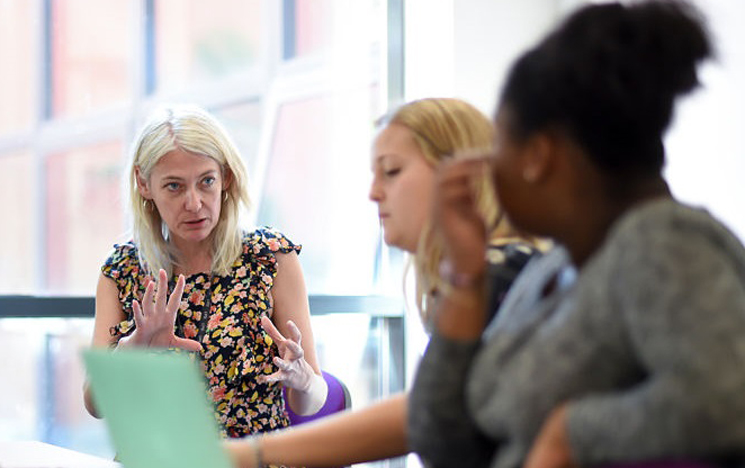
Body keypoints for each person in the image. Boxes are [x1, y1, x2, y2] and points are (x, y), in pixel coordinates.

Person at [409, 2, 745, 468]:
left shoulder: (661, 242)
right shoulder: (559, 266)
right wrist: (464, 277)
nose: (487, 166)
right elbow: (444, 441)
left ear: (537, 155)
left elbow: (726, 400)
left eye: (499, 142)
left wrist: (571, 432)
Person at [225, 98, 544, 468]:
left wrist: (252, 454)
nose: (374, 192)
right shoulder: (486, 273)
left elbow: (422, 414)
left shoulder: (501, 276)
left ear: (461, 176)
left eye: (391, 172)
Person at [83, 105, 328, 440]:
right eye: (174, 186)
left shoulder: (270, 259)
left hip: (252, 460)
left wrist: (303, 379)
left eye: (206, 182)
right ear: (144, 184)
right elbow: (95, 404)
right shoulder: (123, 270)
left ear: (226, 177)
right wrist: (132, 350)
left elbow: (312, 400)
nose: (195, 203)